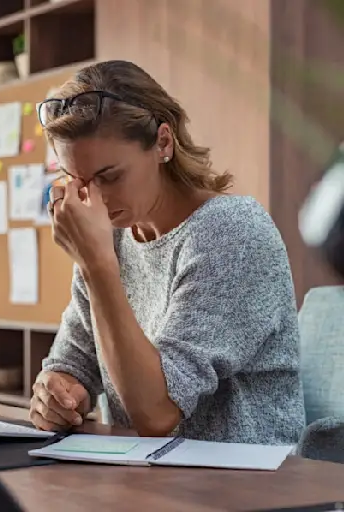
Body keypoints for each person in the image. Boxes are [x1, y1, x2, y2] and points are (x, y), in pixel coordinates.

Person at [29, 60, 305, 443]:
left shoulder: (231, 232)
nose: (94, 199)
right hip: (147, 480)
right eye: (78, 180)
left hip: (245, 488)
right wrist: (58, 392)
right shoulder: (111, 239)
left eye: (109, 177)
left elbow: (157, 413)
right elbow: (74, 361)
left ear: (163, 142)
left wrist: (97, 266)